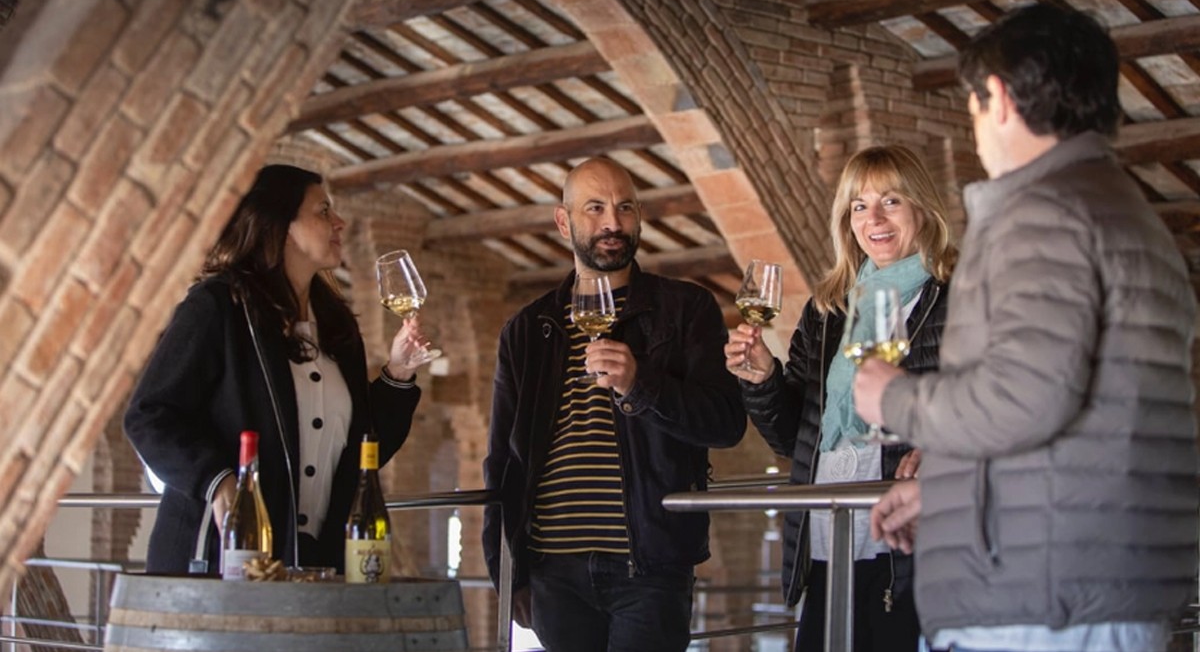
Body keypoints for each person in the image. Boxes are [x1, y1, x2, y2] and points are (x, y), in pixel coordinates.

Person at [856, 4, 1199, 652]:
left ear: (1002, 98)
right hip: (1091, 581)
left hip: (1039, 601)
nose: (975, 124)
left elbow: (1026, 396)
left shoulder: (1042, 212)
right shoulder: (1126, 213)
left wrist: (893, 396)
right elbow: (1093, 420)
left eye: (974, 103)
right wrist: (948, 491)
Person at [482, 157, 746, 652]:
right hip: (552, 570)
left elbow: (726, 423)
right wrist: (506, 571)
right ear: (564, 222)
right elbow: (502, 459)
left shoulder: (686, 308)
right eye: (596, 208)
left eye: (625, 208)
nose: (613, 223)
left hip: (650, 566)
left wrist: (640, 385)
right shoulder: (526, 329)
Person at [125, 164, 426, 574]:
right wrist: (218, 481)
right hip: (217, 562)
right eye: (323, 211)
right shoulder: (217, 307)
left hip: (316, 570)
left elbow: (363, 451)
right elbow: (149, 415)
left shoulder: (338, 327)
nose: (339, 222)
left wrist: (398, 373)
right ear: (280, 223)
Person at [727, 145, 956, 652]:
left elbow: (985, 405)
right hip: (827, 529)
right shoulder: (828, 309)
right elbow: (791, 437)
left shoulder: (957, 295)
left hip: (911, 539)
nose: (872, 218)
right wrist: (762, 379)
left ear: (921, 207)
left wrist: (942, 447)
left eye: (890, 201)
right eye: (858, 206)